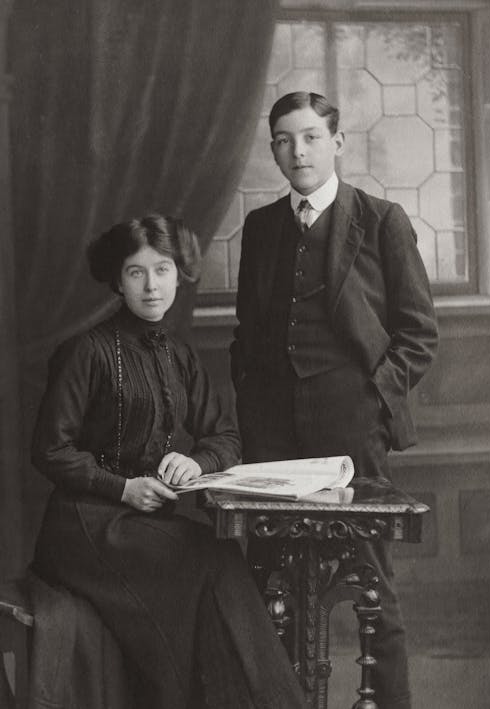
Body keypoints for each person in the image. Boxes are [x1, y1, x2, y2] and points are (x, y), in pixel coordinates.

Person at [31, 214, 306, 709]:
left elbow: (225, 435)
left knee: (211, 559)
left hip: (143, 524)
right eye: (136, 273)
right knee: (209, 554)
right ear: (118, 281)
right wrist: (123, 488)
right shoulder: (87, 351)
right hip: (85, 526)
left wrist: (197, 461)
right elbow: (49, 450)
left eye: (162, 270)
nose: (151, 286)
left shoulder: (177, 354)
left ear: (179, 275)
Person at [231, 92, 439, 709]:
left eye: (311, 137)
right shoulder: (262, 227)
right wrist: (252, 402)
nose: (298, 151)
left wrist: (373, 400)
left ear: (337, 143)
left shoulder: (380, 220)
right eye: (284, 140)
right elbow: (247, 333)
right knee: (271, 583)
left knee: (372, 584)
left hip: (353, 434)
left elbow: (419, 335)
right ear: (273, 150)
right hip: (273, 440)